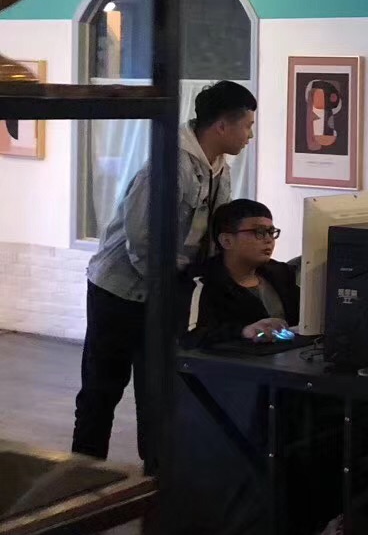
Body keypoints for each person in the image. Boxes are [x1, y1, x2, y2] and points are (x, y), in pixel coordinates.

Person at [73, 81, 256, 465]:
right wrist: (168, 288)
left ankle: (156, 481)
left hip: (164, 291)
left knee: (157, 393)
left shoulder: (218, 168)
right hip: (120, 291)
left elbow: (213, 234)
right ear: (222, 126)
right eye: (247, 126)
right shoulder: (170, 165)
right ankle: (83, 476)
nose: (250, 136)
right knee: (101, 391)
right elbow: (142, 238)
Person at [182, 199, 297, 348]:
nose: (269, 240)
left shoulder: (282, 273)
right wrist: (243, 331)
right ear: (227, 241)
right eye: (259, 232)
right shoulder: (201, 281)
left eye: (271, 232)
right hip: (234, 361)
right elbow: (191, 336)